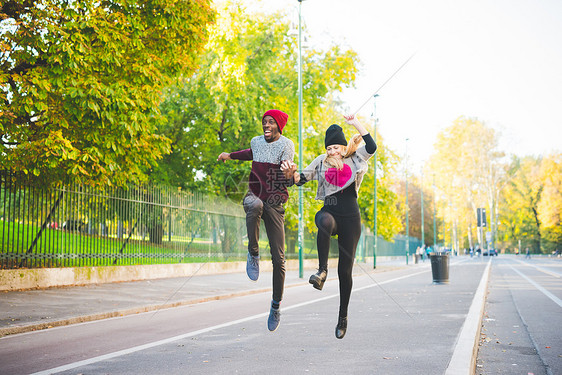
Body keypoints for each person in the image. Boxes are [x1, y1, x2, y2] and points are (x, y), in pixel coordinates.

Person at [281, 114, 376, 339]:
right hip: (331, 211)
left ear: (343, 148)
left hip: (351, 218)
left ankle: (343, 317)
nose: (332, 151)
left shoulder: (355, 159)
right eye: (329, 148)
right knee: (322, 219)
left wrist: (355, 123)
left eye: (336, 147)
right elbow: (298, 180)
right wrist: (288, 173)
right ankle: (322, 271)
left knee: (345, 271)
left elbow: (371, 145)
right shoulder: (320, 162)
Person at [217, 109, 294, 332]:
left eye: (271, 122)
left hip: (276, 202)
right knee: (254, 204)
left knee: (279, 259)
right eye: (264, 122)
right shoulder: (257, 142)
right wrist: (229, 155)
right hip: (255, 194)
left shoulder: (286, 145)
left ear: (279, 126)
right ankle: (253, 252)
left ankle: (276, 305)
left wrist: (289, 177)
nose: (266, 125)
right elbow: (250, 152)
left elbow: (286, 177)